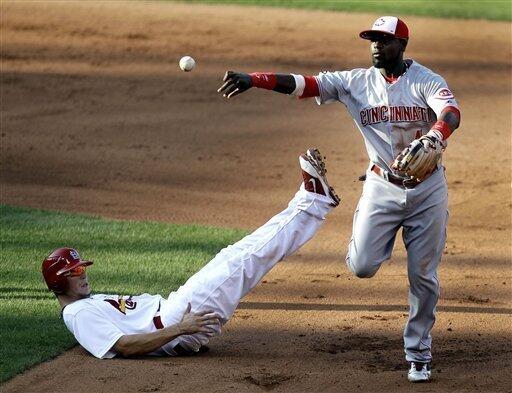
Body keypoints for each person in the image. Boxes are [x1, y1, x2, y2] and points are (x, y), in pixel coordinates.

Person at [218, 16, 461, 383]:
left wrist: (435, 137)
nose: (376, 46)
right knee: (361, 265)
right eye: (372, 40)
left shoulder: (426, 81)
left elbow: (450, 113)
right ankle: (367, 233)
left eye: (384, 40)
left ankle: (419, 354)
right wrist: (254, 79)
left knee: (422, 276)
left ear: (403, 46)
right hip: (382, 186)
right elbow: (304, 84)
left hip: (427, 190)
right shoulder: (354, 83)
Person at [42, 149, 340, 360]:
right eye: (75, 272)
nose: (83, 275)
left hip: (174, 314)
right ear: (58, 283)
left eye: (82, 269)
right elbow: (124, 346)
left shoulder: (84, 305)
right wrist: (181, 330)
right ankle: (312, 200)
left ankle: (310, 199)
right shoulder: (76, 313)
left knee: (238, 256)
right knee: (244, 259)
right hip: (176, 320)